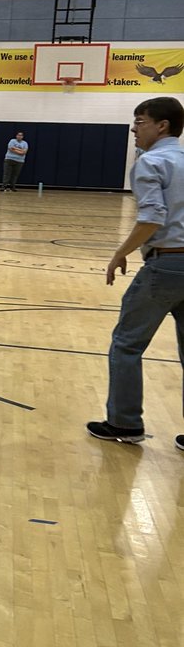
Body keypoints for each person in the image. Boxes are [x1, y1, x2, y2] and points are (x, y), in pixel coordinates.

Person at [87, 97, 184, 446]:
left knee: (126, 344)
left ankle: (125, 423)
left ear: (163, 126)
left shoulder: (150, 162)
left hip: (166, 262)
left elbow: (152, 217)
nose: (133, 128)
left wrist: (119, 253)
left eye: (140, 121)